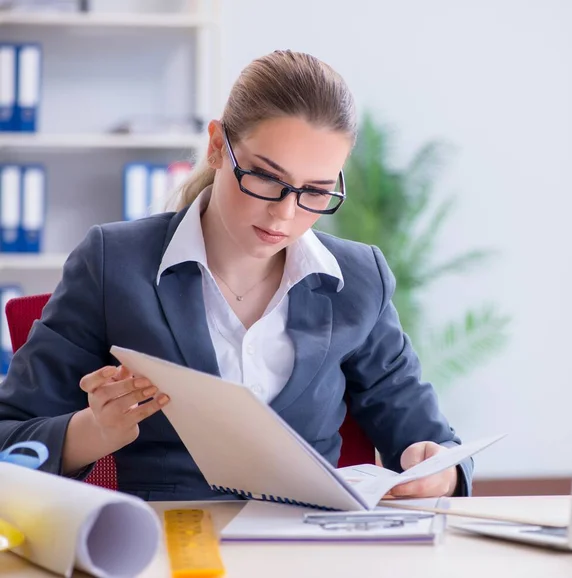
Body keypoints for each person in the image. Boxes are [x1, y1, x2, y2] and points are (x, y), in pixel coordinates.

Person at [0, 50, 473, 501]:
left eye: (316, 191)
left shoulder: (358, 278)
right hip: (172, 541)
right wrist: (93, 431)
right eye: (266, 177)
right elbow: (9, 441)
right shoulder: (113, 263)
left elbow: (434, 443)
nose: (285, 214)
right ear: (215, 147)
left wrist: (438, 471)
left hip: (313, 543)